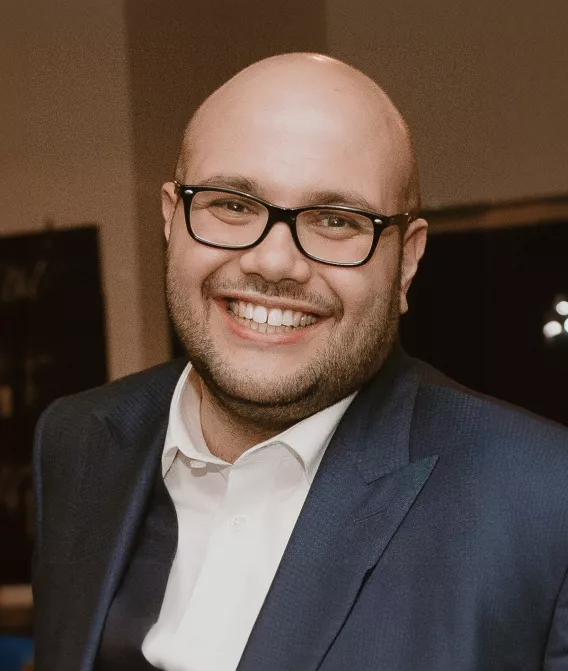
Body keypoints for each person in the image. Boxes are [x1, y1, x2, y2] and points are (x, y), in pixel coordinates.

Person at [32, 53, 568, 671]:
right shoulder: (76, 442)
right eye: (233, 204)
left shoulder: (543, 501)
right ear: (171, 218)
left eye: (336, 221)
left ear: (407, 260)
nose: (273, 262)